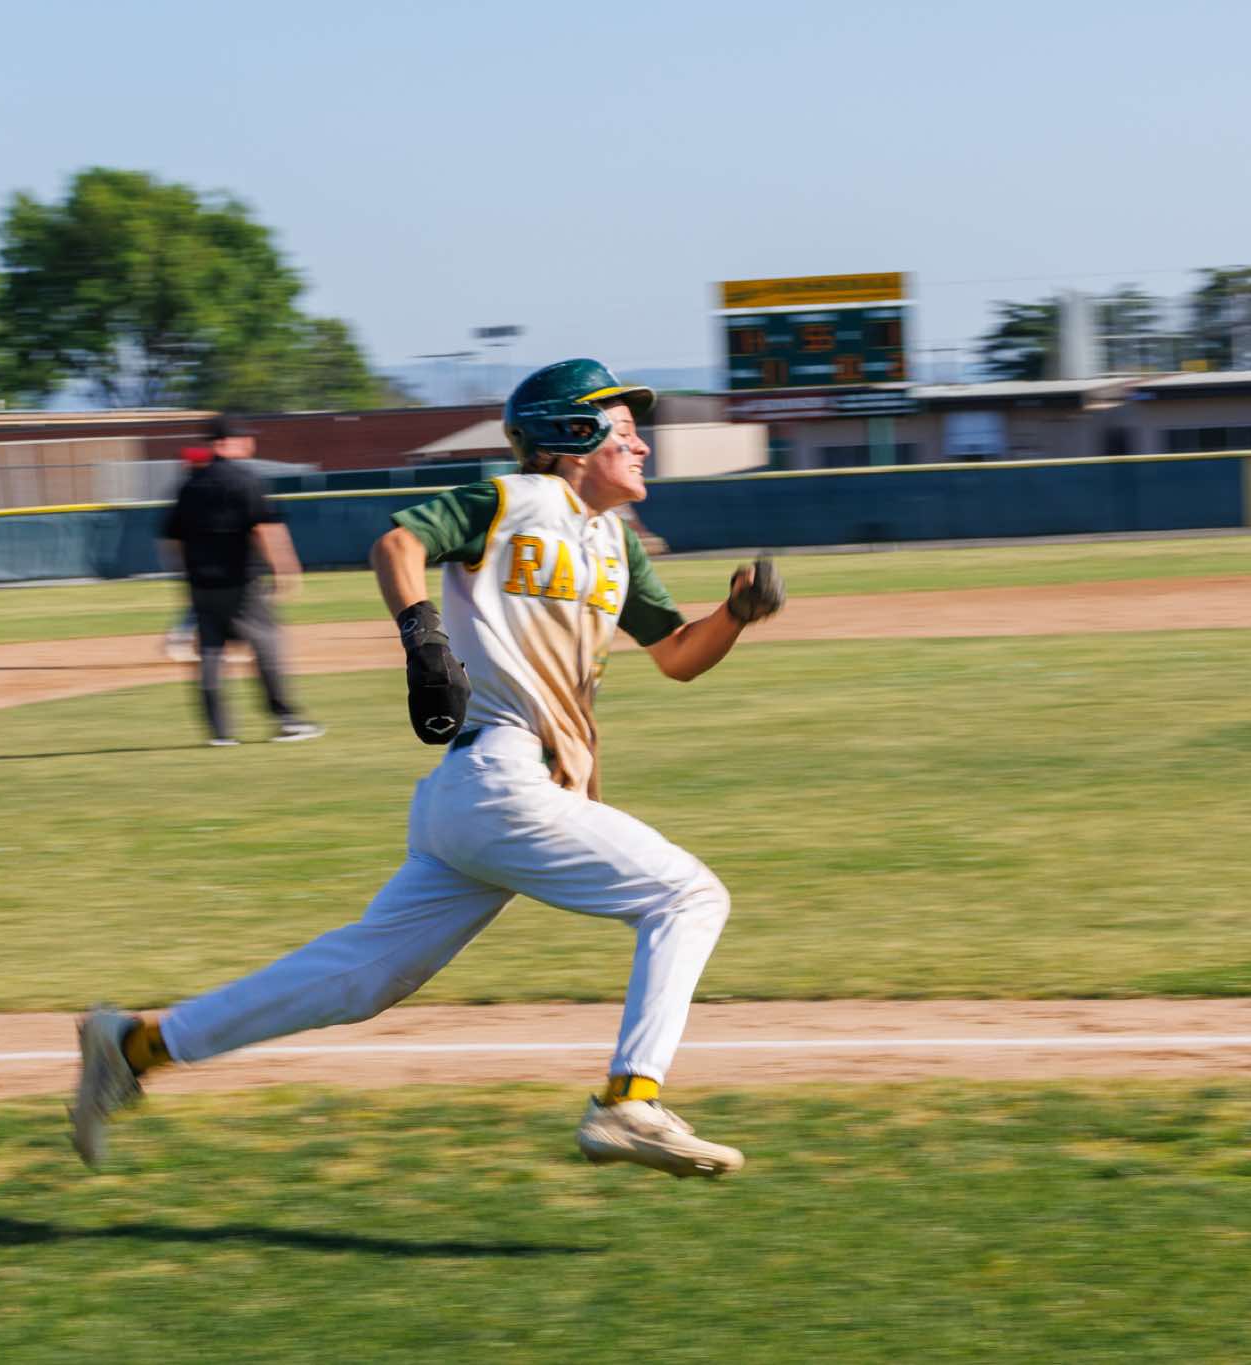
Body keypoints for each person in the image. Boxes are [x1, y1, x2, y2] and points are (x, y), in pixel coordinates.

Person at [71, 359, 784, 1178]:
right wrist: (422, 635)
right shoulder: (513, 499)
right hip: (501, 778)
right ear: (573, 434)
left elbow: (678, 654)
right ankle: (629, 1101)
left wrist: (735, 614)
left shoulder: (615, 542)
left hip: (482, 798)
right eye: (625, 430)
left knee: (362, 979)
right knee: (689, 895)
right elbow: (400, 542)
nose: (642, 445)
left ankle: (135, 1047)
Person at [160, 415, 322, 745]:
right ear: (227, 442)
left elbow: (171, 538)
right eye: (243, 437)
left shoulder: (190, 485)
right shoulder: (246, 480)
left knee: (210, 652)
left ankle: (219, 732)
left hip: (202, 585)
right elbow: (265, 529)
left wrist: (186, 574)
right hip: (241, 582)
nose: (249, 442)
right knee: (266, 644)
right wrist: (285, 569)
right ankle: (287, 720)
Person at [159, 445, 213, 664]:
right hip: (196, 557)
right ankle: (178, 639)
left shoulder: (190, 488)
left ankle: (199, 641)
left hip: (197, 556)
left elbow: (170, 533)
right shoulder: (193, 490)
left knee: (208, 602)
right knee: (202, 602)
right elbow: (172, 533)